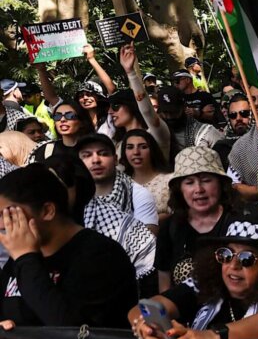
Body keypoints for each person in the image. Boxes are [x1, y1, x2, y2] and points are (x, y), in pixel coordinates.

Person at [129, 220, 258, 339]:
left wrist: (213, 337)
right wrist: (146, 326)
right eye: (226, 255)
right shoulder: (204, 285)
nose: (233, 265)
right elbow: (146, 307)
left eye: (246, 258)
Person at [0, 165, 136, 328]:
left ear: (47, 211)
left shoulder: (101, 255)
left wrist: (26, 258)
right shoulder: (19, 257)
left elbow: (72, 329)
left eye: (8, 215)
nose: (2, 224)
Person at [46, 153, 156, 287]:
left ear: (78, 187)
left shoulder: (121, 226)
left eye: (60, 188)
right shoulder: (38, 225)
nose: (53, 195)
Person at [157, 146, 239, 291]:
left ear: (220, 184)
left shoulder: (239, 223)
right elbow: (164, 285)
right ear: (180, 189)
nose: (199, 189)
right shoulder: (169, 228)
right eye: (189, 183)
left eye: (206, 180)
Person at [76, 133, 159, 232]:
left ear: (115, 159)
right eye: (87, 155)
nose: (95, 160)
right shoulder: (74, 196)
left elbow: (147, 239)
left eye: (103, 154)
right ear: (78, 163)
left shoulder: (138, 194)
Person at [121, 129, 173, 222]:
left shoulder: (169, 181)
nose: (136, 152)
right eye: (130, 147)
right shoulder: (120, 184)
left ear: (152, 150)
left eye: (143, 147)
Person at [156, 85, 221, 158]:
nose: (169, 116)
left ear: (183, 107)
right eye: (165, 112)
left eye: (173, 112)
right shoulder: (156, 132)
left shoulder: (206, 132)